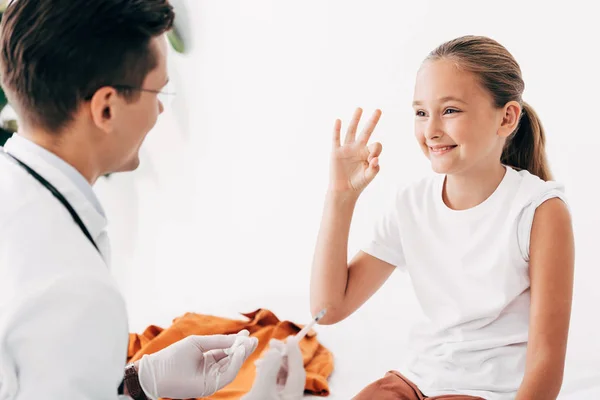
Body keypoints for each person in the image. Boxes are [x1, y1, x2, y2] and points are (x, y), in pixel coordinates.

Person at [0, 0, 304, 399]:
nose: (160, 109)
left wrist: (138, 382)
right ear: (106, 108)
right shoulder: (75, 291)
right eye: (157, 90)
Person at [310, 35, 574, 400]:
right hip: (415, 382)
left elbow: (546, 363)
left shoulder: (540, 210)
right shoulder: (411, 205)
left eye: (450, 110)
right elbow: (327, 310)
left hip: (489, 391)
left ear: (507, 117)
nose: (431, 130)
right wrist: (340, 198)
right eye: (421, 112)